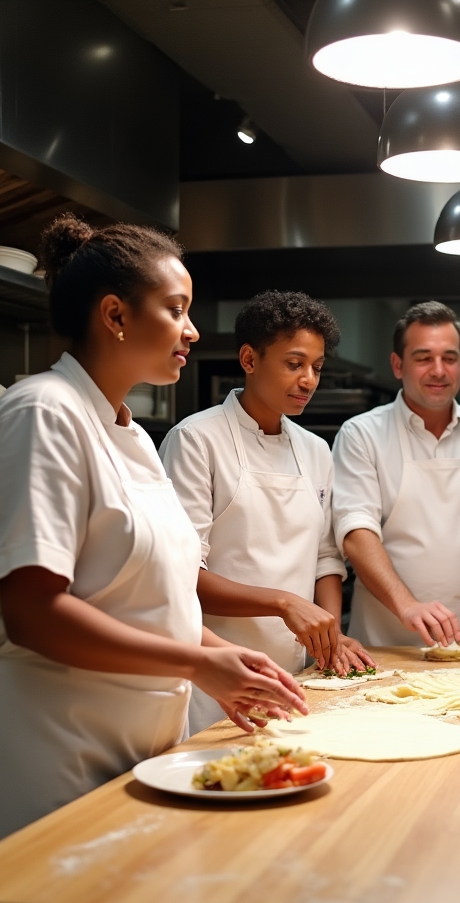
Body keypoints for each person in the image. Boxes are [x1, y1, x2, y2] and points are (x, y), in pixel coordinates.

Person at [0, 216, 307, 903]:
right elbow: (34, 610)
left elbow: (150, 593)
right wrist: (198, 665)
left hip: (113, 750)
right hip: (44, 749)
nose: (194, 330)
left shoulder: (126, 430)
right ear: (115, 315)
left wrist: (220, 657)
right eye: (178, 308)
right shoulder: (43, 415)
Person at [161, 290, 374, 737]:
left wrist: (327, 635)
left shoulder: (316, 450)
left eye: (316, 367)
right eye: (294, 364)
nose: (309, 380)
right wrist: (284, 602)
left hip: (296, 677)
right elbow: (180, 577)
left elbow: (325, 558)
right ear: (249, 359)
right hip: (214, 680)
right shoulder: (197, 441)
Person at [332, 301, 460, 649]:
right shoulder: (361, 434)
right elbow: (356, 530)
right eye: (424, 358)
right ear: (398, 365)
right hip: (383, 644)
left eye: (449, 358)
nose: (438, 370)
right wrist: (408, 607)